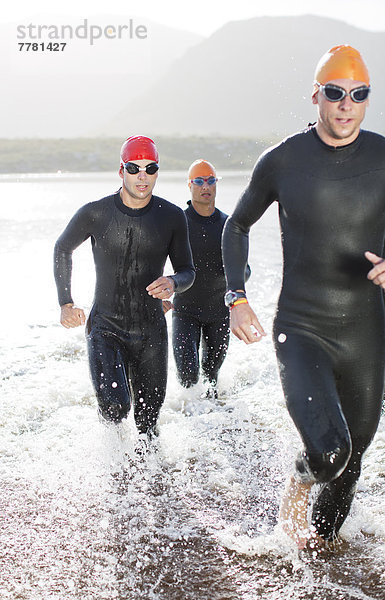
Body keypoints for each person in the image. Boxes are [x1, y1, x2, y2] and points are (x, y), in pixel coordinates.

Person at [222, 45, 385, 547]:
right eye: (335, 93)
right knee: (328, 454)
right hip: (303, 325)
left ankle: (321, 554)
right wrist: (237, 296)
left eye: (359, 95)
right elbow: (237, 225)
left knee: (352, 462)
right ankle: (298, 477)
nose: (346, 105)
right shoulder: (283, 160)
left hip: (366, 330)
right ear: (317, 95)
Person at [54, 135, 195, 440]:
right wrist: (66, 302)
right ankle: (111, 459)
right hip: (106, 326)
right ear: (121, 171)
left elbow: (188, 271)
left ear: (157, 171)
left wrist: (172, 283)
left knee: (148, 427)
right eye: (134, 168)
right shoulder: (96, 213)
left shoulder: (172, 217)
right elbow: (62, 248)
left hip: (151, 331)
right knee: (116, 408)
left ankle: (149, 483)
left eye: (150, 168)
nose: (142, 176)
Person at [171, 159, 250, 398]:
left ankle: (214, 425)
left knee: (211, 377)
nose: (206, 186)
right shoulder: (178, 223)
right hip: (185, 310)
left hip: (219, 313)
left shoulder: (229, 225)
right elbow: (155, 260)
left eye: (211, 181)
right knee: (187, 376)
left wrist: (233, 273)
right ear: (190, 185)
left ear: (216, 185)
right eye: (199, 181)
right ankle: (190, 424)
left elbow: (245, 270)